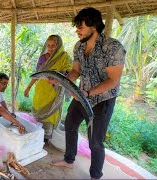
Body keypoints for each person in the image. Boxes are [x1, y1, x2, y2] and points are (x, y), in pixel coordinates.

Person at [51, 7, 126, 179]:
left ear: (93, 26)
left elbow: (113, 80)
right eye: (76, 26)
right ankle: (69, 161)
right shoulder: (79, 47)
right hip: (82, 95)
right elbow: (75, 71)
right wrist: (62, 80)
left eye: (80, 26)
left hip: (103, 100)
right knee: (70, 125)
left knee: (95, 142)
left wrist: (89, 93)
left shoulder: (112, 47)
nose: (77, 30)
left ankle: (95, 175)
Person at [24, 35, 72, 140]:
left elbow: (69, 72)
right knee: (38, 111)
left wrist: (58, 78)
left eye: (53, 46)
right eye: (48, 45)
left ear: (58, 46)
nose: (50, 48)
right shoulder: (43, 57)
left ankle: (45, 137)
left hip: (54, 91)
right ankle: (36, 134)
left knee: (50, 114)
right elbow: (37, 74)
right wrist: (28, 87)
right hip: (41, 90)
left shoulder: (64, 57)